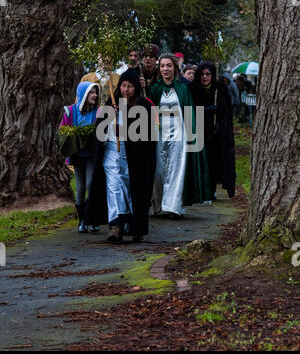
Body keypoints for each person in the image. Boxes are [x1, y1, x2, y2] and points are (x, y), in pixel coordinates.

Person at [85, 69, 156, 243]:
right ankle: (115, 225)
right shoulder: (112, 103)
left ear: (136, 88)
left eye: (130, 86)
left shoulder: (143, 105)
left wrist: (125, 131)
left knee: (132, 190)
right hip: (111, 153)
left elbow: (146, 134)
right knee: (113, 187)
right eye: (123, 85)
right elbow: (99, 130)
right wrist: (110, 117)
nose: (125, 90)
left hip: (135, 157)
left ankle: (134, 225)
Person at [150, 55, 211, 220]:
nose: (165, 69)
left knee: (176, 169)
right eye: (162, 66)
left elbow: (189, 113)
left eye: (169, 66)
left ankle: (173, 206)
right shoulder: (154, 89)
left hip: (178, 134)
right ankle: (158, 205)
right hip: (159, 134)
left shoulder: (183, 89)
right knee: (159, 169)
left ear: (174, 68)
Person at [191, 62, 236, 200]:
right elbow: (191, 109)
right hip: (199, 131)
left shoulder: (220, 89)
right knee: (201, 162)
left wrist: (220, 118)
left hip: (216, 133)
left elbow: (227, 110)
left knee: (214, 162)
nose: (205, 77)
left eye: (208, 74)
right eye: (202, 74)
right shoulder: (193, 89)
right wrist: (205, 110)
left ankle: (212, 190)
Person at [60, 82, 100, 233]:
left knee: (91, 185)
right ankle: (81, 219)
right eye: (91, 93)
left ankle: (92, 218)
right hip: (77, 155)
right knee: (81, 187)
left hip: (91, 156)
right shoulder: (70, 111)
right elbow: (62, 132)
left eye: (96, 92)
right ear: (83, 94)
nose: (95, 95)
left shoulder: (97, 112)